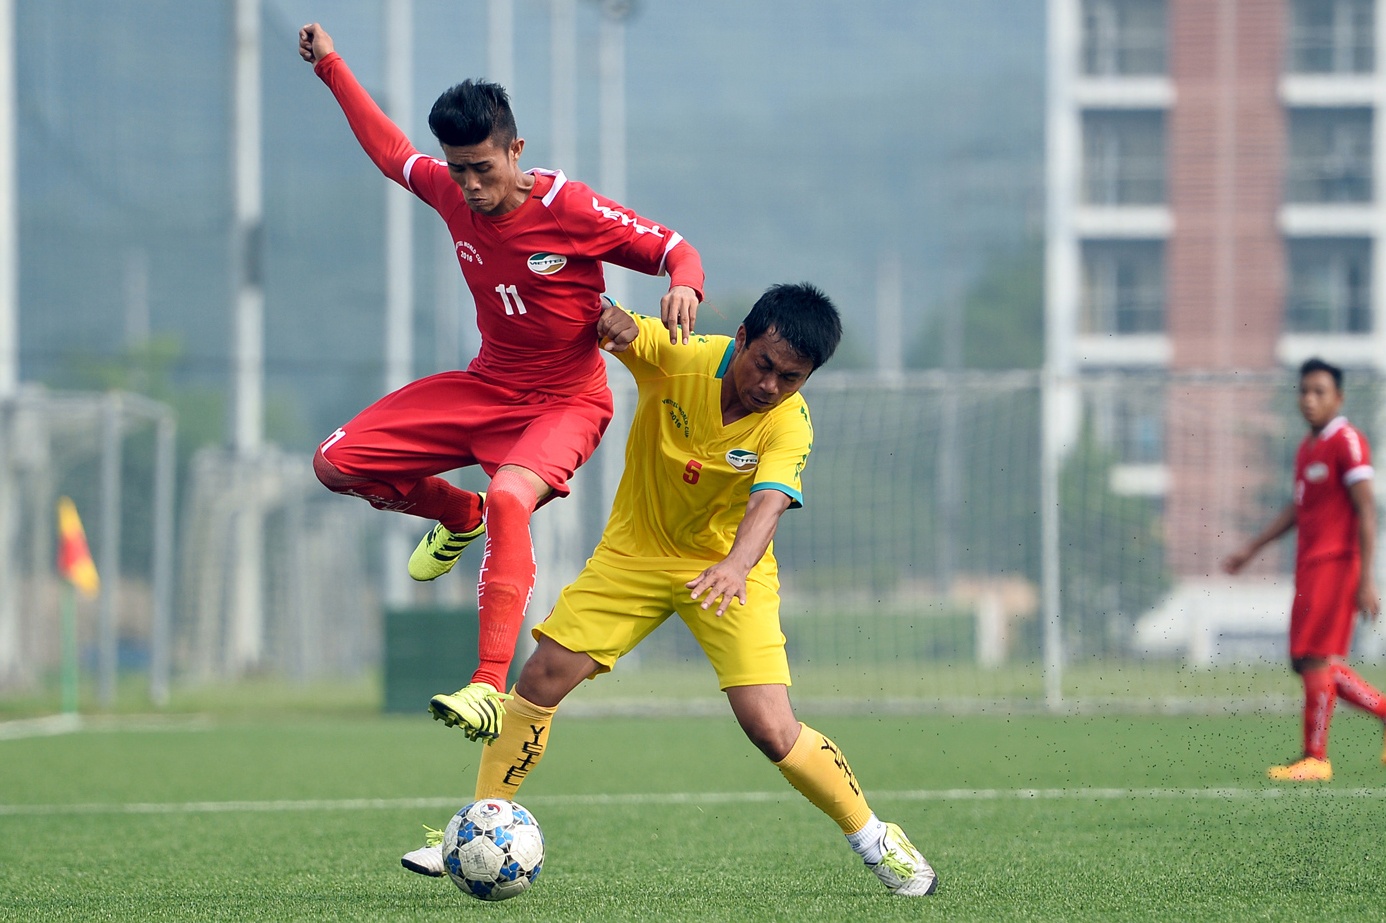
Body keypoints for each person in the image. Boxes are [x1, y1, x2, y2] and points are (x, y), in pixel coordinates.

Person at [402, 283, 939, 896]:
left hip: (728, 573)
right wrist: (604, 312)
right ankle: (478, 824)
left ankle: (875, 839)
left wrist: (735, 565)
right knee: (541, 677)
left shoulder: (789, 425)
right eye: (764, 365)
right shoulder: (681, 355)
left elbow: (768, 503)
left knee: (770, 728)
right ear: (741, 338)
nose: (770, 386)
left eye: (791, 378)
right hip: (633, 556)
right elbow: (615, 325)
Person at [297, 24, 704, 742]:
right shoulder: (452, 193)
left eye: (483, 168)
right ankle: (461, 514)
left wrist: (684, 286)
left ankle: (487, 684)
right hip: (487, 387)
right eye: (459, 170)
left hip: (567, 403)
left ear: (517, 151)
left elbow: (674, 247)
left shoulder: (569, 208)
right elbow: (391, 151)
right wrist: (331, 64)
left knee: (514, 497)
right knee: (336, 463)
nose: (472, 186)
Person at [1222, 357, 1386, 782]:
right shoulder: (1306, 447)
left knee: (1314, 659)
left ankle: (1316, 758)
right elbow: (1298, 509)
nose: (1309, 400)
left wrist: (1366, 578)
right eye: (1304, 391)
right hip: (1310, 566)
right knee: (1304, 661)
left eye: (1319, 392)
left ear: (1338, 397)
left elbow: (1367, 510)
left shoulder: (1347, 441)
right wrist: (1252, 548)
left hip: (1337, 564)